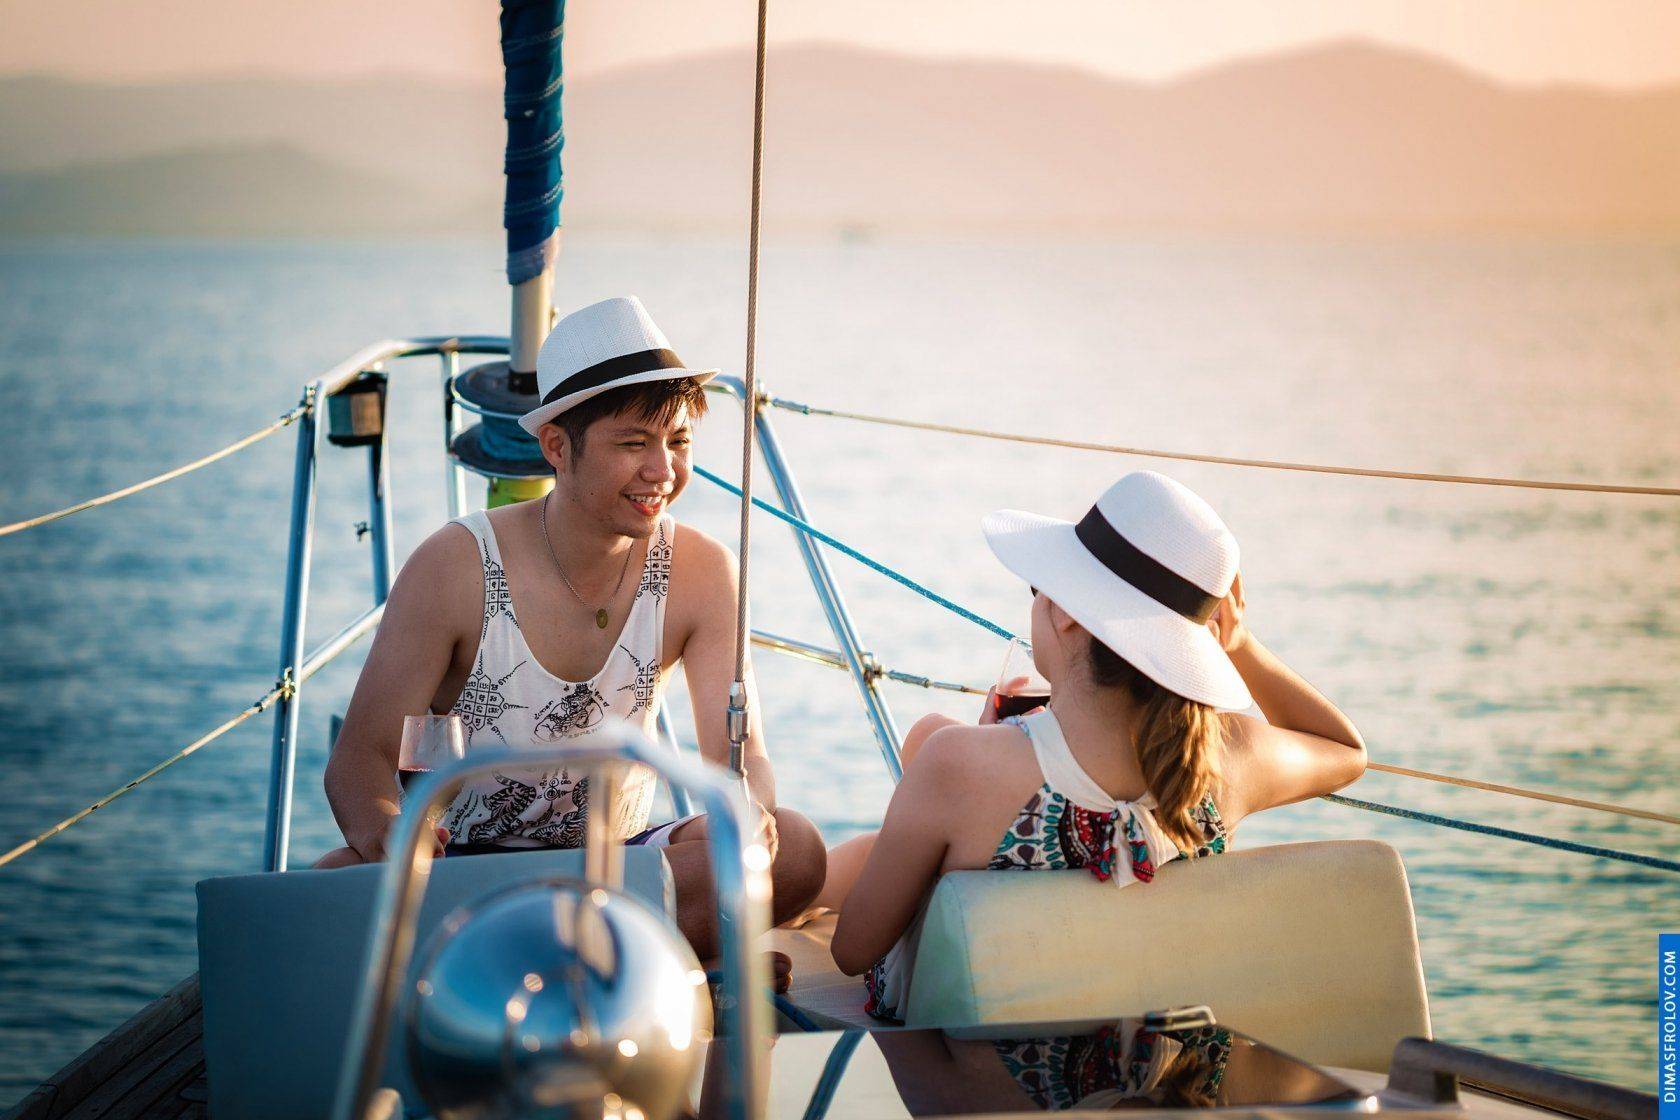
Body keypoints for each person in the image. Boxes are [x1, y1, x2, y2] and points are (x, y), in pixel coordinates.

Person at [318, 295, 826, 966]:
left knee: (793, 849)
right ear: (557, 446)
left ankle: (521, 962)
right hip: (464, 869)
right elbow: (359, 761)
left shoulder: (703, 572)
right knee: (329, 884)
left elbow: (740, 757)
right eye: (634, 443)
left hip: (619, 862)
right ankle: (640, 962)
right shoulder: (456, 565)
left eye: (678, 442)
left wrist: (747, 809)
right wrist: (391, 838)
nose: (663, 471)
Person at [821, 470, 1366, 1022]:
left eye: (1039, 587)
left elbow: (852, 950)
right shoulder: (1230, 759)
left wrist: (990, 749)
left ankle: (802, 886)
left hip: (981, 1065)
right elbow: (1344, 751)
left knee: (926, 755)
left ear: (1066, 613)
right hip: (1163, 1063)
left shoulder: (960, 766)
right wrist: (1239, 643)